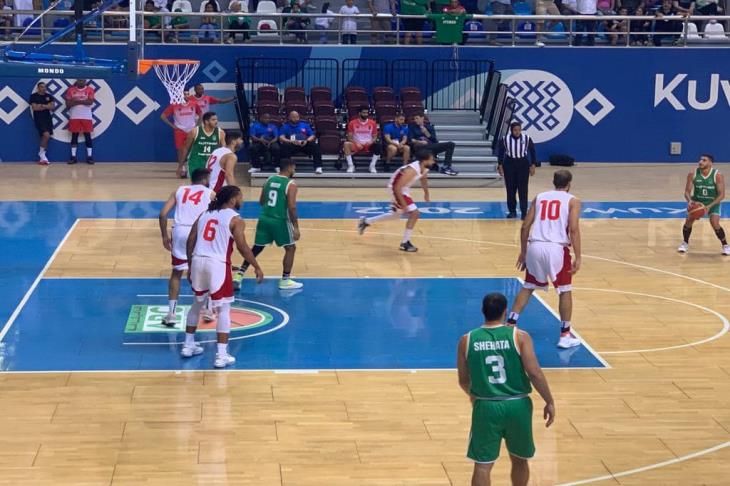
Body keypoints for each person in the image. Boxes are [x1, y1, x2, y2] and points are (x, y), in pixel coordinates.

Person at [456, 292, 555, 486]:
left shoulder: (467, 340)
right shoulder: (520, 337)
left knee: (482, 465)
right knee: (520, 459)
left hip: (486, 406)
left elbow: (463, 380)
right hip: (518, 405)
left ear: (483, 311)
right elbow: (534, 372)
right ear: (505, 311)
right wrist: (549, 400)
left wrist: (474, 396)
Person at [185, 185, 264, 368]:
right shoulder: (235, 219)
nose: (242, 200)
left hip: (198, 260)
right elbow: (243, 247)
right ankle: (221, 355)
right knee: (224, 309)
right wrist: (256, 266)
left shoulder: (204, 214)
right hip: (217, 264)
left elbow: (190, 240)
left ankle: (188, 345)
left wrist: (190, 265)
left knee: (197, 304)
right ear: (232, 199)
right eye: (240, 197)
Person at [507, 169, 582, 349]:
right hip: (556, 248)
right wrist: (578, 256)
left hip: (535, 245)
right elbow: (573, 229)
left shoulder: (539, 197)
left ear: (553, 182)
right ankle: (565, 335)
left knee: (528, 286)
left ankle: (510, 325)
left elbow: (525, 226)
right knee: (565, 290)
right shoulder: (573, 200)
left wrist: (524, 252)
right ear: (569, 184)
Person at [232, 159, 303, 291]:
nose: (294, 171)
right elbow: (292, 207)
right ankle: (285, 280)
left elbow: (261, 201)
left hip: (264, 219)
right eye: (294, 168)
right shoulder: (291, 184)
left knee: (257, 248)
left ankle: (239, 275)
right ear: (289, 168)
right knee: (290, 248)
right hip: (280, 221)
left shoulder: (269, 180)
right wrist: (296, 227)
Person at [158, 168, 215, 327]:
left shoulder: (179, 190)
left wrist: (164, 236)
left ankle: (171, 314)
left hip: (180, 231)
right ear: (205, 180)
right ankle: (208, 310)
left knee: (176, 273)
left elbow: (162, 214)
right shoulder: (210, 193)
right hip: (198, 232)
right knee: (206, 270)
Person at [358, 150, 435, 252]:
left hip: (404, 188)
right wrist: (404, 205)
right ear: (424, 161)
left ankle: (366, 221)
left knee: (395, 215)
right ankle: (405, 243)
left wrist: (426, 194)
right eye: (431, 160)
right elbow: (397, 187)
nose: (433, 161)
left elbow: (423, 179)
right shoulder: (411, 170)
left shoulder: (424, 168)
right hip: (395, 188)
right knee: (415, 213)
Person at [678, 154, 729, 255]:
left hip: (712, 203)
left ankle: (725, 245)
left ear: (710, 163)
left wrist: (708, 207)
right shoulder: (692, 174)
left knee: (714, 223)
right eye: (700, 160)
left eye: (704, 160)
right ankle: (685, 243)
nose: (700, 162)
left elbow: (721, 195)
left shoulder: (717, 175)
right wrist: (690, 201)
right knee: (688, 221)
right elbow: (687, 192)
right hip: (697, 201)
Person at [498, 122, 537, 220]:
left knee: (523, 189)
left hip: (523, 164)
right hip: (509, 164)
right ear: (511, 130)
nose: (517, 132)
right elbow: (501, 153)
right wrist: (500, 165)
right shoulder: (505, 139)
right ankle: (512, 211)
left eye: (519, 130)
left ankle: (524, 212)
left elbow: (532, 151)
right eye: (515, 130)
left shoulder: (527, 138)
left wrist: (533, 164)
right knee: (510, 189)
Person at [161, 96, 203, 174]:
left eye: (187, 94)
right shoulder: (174, 105)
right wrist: (172, 126)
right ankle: (182, 167)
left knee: (191, 148)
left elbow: (201, 114)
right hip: (180, 130)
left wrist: (197, 126)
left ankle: (190, 165)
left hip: (191, 130)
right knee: (180, 149)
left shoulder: (194, 104)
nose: (186, 96)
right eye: (184, 94)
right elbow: (163, 116)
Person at [180, 111, 225, 179]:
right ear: (206, 121)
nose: (216, 121)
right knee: (197, 182)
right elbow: (186, 148)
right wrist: (181, 165)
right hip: (196, 162)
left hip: (211, 162)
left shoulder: (220, 132)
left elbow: (224, 150)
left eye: (216, 119)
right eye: (213, 120)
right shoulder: (195, 131)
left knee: (210, 182)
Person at [63, 79, 95, 165]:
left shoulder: (90, 89)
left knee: (87, 136)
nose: (81, 82)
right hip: (74, 116)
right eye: (79, 80)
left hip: (86, 117)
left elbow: (90, 102)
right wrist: (83, 101)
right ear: (77, 81)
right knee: (74, 136)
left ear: (85, 82)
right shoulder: (71, 90)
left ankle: (90, 157)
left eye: (83, 81)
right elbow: (68, 104)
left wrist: (76, 101)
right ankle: (73, 157)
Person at [344, 105, 381, 174]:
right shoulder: (352, 123)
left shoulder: (372, 123)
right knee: (346, 144)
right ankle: (351, 166)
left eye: (367, 113)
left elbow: (375, 137)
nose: (366, 114)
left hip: (368, 145)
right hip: (356, 144)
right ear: (359, 113)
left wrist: (371, 142)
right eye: (364, 113)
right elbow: (349, 137)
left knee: (378, 146)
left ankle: (372, 166)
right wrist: (356, 143)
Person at [29, 81, 55, 165]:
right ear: (38, 88)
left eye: (45, 87)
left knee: (47, 136)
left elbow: (52, 107)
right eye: (42, 87)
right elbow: (35, 108)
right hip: (39, 119)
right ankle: (41, 154)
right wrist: (46, 106)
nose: (44, 88)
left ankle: (42, 158)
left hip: (48, 119)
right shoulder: (34, 96)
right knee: (46, 135)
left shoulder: (49, 96)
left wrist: (42, 105)